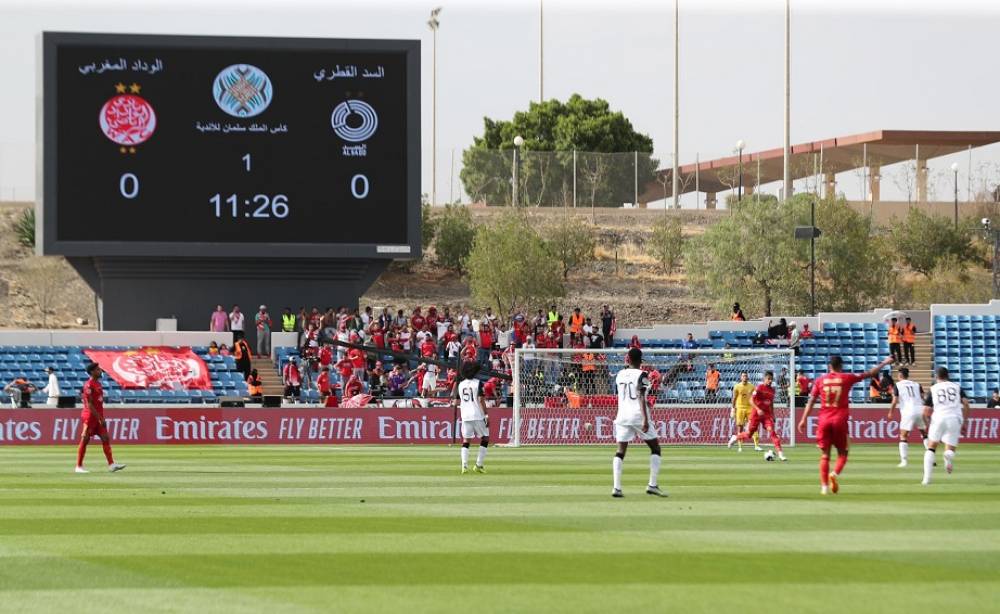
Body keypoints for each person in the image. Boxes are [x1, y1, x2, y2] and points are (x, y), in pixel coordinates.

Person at [798, 354, 893, 495]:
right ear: (841, 366)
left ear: (829, 366)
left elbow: (811, 401)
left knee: (825, 455)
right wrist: (885, 362)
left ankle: (824, 488)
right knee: (843, 453)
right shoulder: (846, 377)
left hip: (824, 420)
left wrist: (803, 419)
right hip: (839, 420)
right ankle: (834, 474)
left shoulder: (820, 381)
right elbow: (872, 373)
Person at [610, 347, 667, 498]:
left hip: (622, 416)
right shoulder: (643, 374)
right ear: (640, 361)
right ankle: (652, 485)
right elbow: (640, 396)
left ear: (628, 359)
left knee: (620, 451)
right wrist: (645, 419)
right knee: (655, 448)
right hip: (637, 415)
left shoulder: (620, 374)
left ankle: (616, 487)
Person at [921, 367, 970, 486]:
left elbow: (925, 411)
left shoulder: (933, 389)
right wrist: (964, 420)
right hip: (954, 418)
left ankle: (927, 479)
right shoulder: (957, 387)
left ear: (936, 376)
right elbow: (966, 403)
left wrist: (927, 423)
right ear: (948, 376)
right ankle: (947, 456)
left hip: (939, 418)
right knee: (950, 449)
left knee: (931, 447)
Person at [75, 363, 125, 474]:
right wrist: (100, 418)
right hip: (90, 416)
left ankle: (111, 464)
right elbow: (90, 405)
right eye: (98, 370)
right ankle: (78, 466)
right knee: (85, 439)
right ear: (92, 372)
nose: (100, 371)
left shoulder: (98, 384)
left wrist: (100, 417)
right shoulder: (88, 385)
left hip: (98, 416)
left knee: (105, 438)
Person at [728, 371, 787, 461]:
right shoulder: (759, 388)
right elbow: (751, 400)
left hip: (766, 416)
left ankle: (780, 454)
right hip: (756, 414)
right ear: (764, 379)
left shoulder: (772, 390)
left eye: (771, 379)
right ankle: (735, 437)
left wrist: (773, 415)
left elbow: (771, 404)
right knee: (748, 434)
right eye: (768, 379)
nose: (770, 381)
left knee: (772, 433)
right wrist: (758, 409)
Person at [454, 361, 490, 474]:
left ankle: (464, 466)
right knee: (485, 438)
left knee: (466, 440)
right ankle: (478, 465)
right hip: (477, 415)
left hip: (465, 415)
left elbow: (456, 402)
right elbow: (481, 400)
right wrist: (486, 414)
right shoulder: (478, 383)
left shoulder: (460, 384)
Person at [888, 367, 928, 467]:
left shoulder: (897, 385)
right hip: (920, 409)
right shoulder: (917, 384)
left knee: (903, 436)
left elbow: (895, 400)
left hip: (908, 411)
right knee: (924, 434)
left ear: (900, 375)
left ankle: (904, 461)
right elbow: (924, 398)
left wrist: (890, 412)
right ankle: (931, 458)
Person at [730, 372, 760, 452]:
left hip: (750, 408)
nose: (745, 377)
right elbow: (734, 398)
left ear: (748, 377)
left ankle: (756, 445)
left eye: (746, 376)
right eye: (743, 376)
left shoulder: (752, 386)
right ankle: (740, 447)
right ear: (741, 377)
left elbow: (755, 397)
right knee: (740, 427)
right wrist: (733, 408)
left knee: (753, 426)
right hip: (740, 408)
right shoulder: (737, 386)